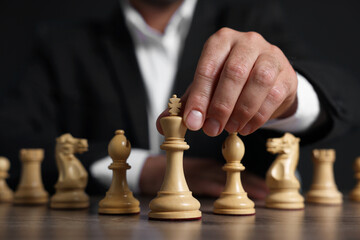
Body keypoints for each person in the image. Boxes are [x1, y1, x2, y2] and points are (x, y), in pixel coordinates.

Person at [0, 0, 359, 198]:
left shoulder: (251, 17)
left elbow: (344, 92)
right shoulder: (64, 44)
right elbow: (11, 143)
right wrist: (140, 171)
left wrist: (288, 94)